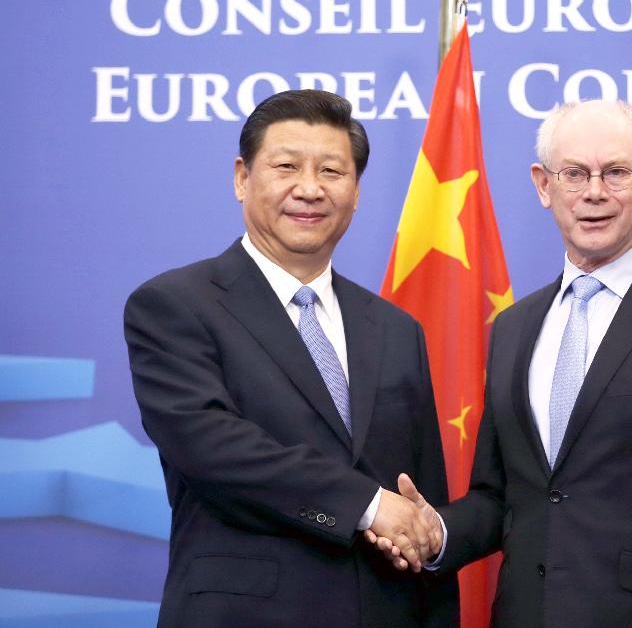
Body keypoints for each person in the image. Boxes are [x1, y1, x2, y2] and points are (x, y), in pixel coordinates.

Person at [379, 99, 632, 627]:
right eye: (574, 173)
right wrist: (438, 531)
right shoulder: (515, 327)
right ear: (544, 185)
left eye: (617, 172)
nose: (594, 192)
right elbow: (502, 497)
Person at [124, 89, 458, 628]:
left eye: (331, 171)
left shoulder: (396, 329)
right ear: (242, 178)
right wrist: (368, 505)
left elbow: (420, 502)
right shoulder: (175, 305)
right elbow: (212, 447)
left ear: (356, 191)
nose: (309, 188)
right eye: (286, 167)